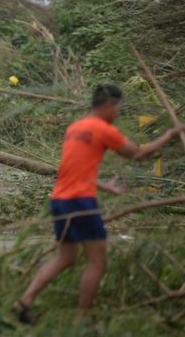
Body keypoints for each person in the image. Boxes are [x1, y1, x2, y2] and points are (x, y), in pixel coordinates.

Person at [16, 85, 185, 324]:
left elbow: (74, 170)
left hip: (60, 200)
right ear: (107, 106)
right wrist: (169, 135)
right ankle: (82, 319)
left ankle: (25, 300)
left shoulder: (75, 128)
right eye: (118, 108)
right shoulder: (103, 129)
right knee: (97, 261)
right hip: (82, 202)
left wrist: (106, 187)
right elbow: (137, 154)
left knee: (66, 258)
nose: (117, 113)